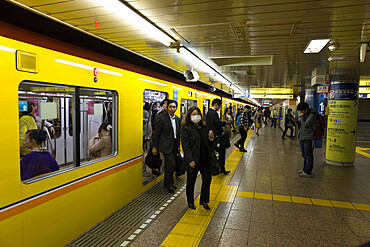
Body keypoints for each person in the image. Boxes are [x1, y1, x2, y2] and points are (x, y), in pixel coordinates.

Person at [181, 107, 214, 210]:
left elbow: (208, 142)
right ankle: (190, 201)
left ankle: (204, 200)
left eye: (197, 114)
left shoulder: (204, 127)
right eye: (193, 114)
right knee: (191, 181)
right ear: (189, 116)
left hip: (205, 159)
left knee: (207, 179)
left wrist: (211, 137)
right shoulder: (186, 128)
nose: (196, 116)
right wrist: (190, 160)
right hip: (193, 160)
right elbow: (185, 146)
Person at [152, 100, 181, 193]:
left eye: (174, 107)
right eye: (170, 107)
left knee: (170, 165)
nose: (172, 109)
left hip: (174, 144)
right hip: (165, 145)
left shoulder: (177, 119)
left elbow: (178, 133)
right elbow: (156, 134)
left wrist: (178, 146)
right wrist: (154, 146)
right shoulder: (162, 118)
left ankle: (166, 182)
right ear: (167, 108)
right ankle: (170, 184)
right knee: (172, 164)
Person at [206, 99, 230, 175]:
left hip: (212, 136)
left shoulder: (209, 112)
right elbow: (217, 123)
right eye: (219, 106)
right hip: (216, 136)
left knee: (214, 152)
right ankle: (220, 169)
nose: (219, 108)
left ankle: (218, 168)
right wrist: (224, 122)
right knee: (221, 152)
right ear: (216, 105)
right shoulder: (213, 113)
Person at [296, 102, 318, 178]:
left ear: (306, 109)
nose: (301, 113)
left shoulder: (312, 115)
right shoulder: (306, 115)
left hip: (309, 137)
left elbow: (306, 125)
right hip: (303, 137)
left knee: (308, 155)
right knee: (304, 154)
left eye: (302, 111)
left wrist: (301, 117)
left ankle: (308, 171)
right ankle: (304, 169)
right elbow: (302, 125)